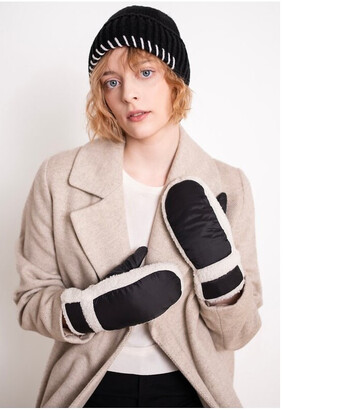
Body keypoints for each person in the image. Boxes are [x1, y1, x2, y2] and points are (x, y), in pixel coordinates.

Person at [14, 5, 263, 408]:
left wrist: (221, 278)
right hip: (91, 388)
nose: (128, 94)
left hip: (192, 390)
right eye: (111, 82)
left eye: (145, 73)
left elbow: (239, 332)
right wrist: (89, 310)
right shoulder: (58, 178)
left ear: (175, 81)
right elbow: (30, 300)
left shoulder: (228, 185)